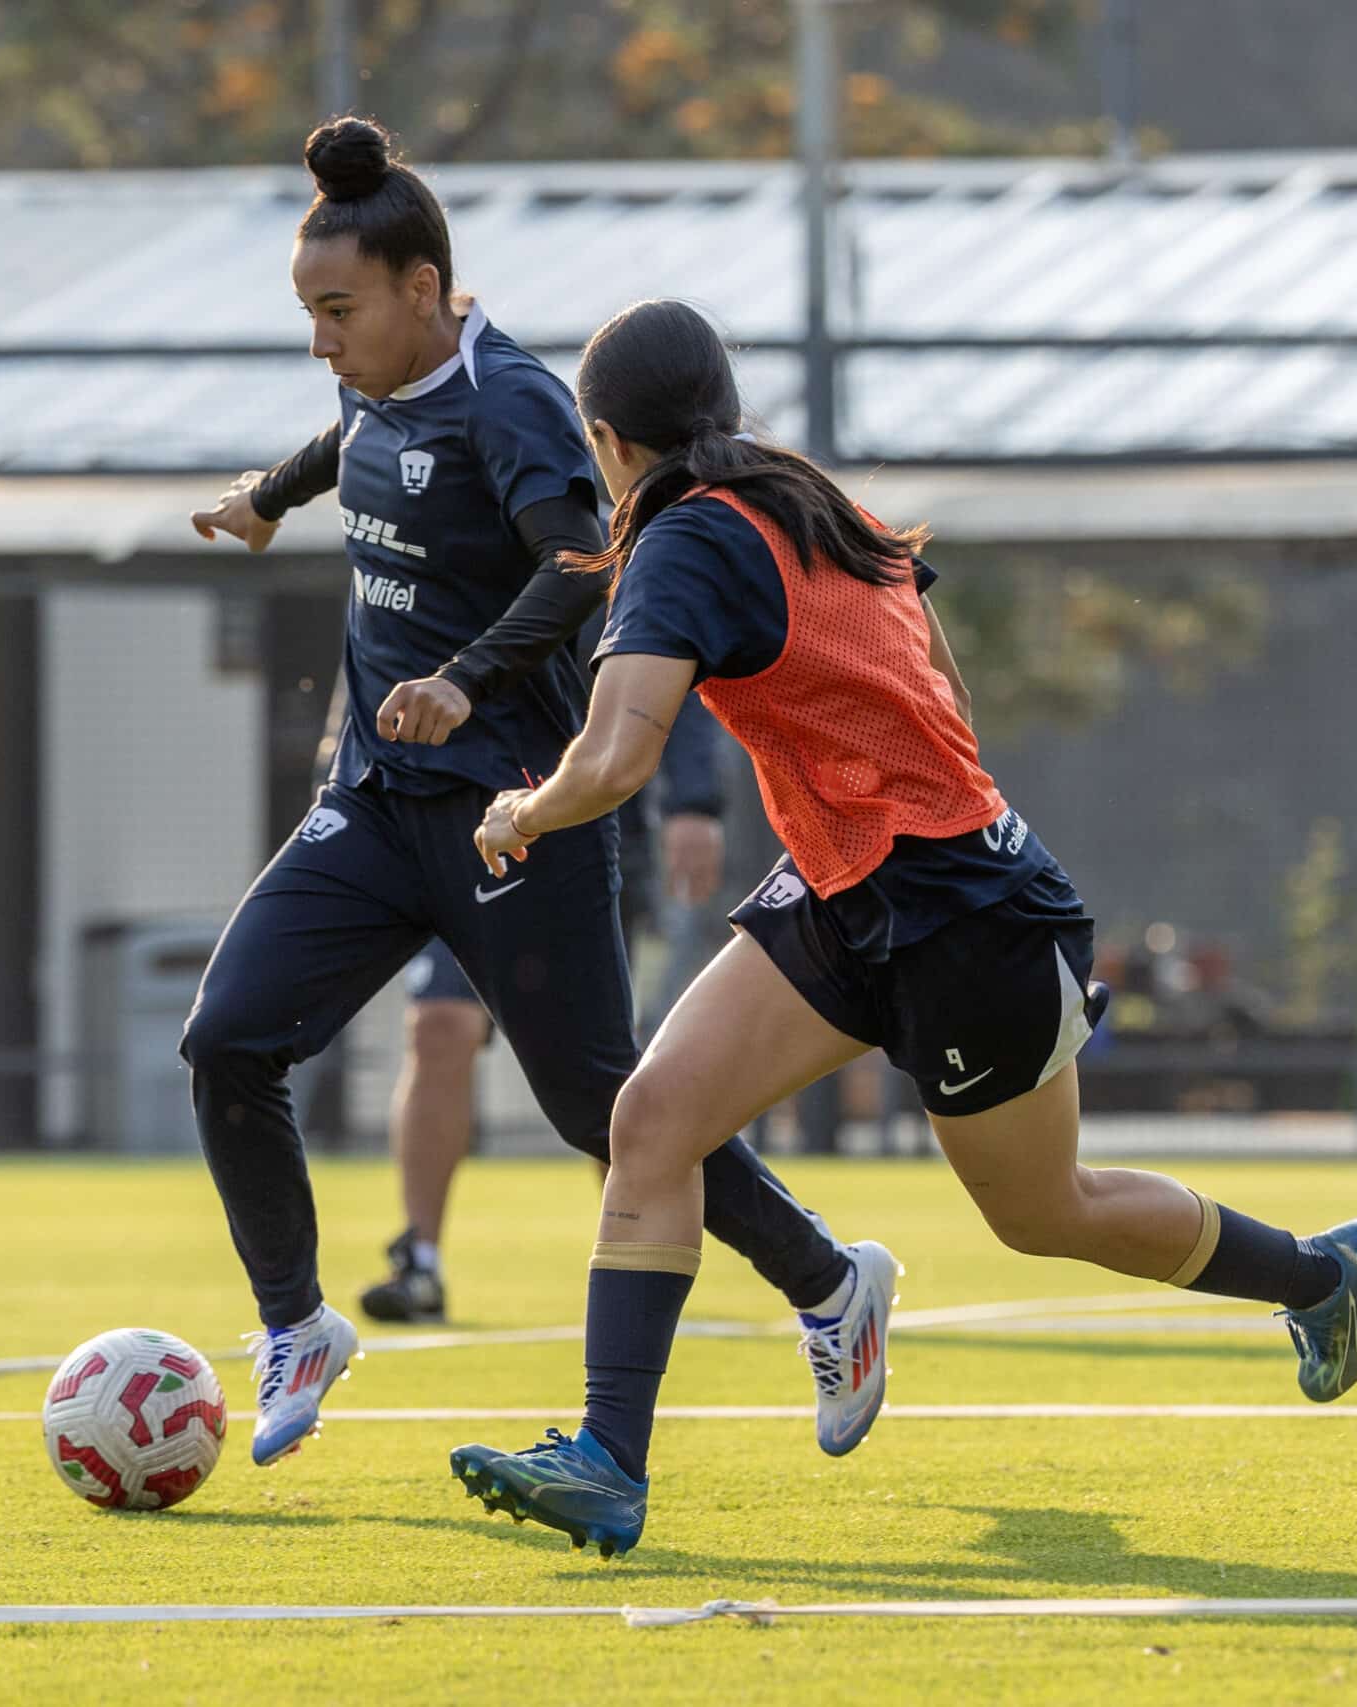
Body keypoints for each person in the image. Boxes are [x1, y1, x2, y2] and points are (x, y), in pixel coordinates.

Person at [447, 300, 1357, 1557]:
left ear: (607, 439)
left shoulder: (684, 537)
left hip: (967, 921)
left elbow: (615, 756)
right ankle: (608, 1461)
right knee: (651, 1119)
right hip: (859, 888)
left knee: (1047, 1212)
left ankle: (1319, 1279)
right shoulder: (822, 507)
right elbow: (943, 692)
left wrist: (523, 807)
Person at [182, 120, 888, 1469]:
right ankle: (297, 1322)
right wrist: (270, 495)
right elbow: (356, 433)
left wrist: (460, 676)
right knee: (227, 1042)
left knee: (606, 1111)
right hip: (380, 803)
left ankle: (828, 1278)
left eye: (337, 311)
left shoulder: (513, 401)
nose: (321, 340)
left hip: (519, 810)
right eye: (307, 314)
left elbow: (584, 562)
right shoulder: (384, 378)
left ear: (423, 288)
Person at [358, 657, 728, 1327]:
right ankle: (420, 1260)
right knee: (438, 1025)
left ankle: (641, 1264)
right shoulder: (451, 563)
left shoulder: (599, 562)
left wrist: (693, 802)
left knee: (607, 1076)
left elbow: (673, 670)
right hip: (465, 834)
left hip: (588, 838)